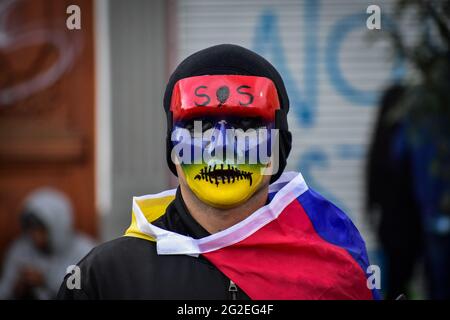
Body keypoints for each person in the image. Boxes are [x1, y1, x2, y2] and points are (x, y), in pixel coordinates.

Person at [58, 44, 378, 300]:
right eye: (199, 125)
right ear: (172, 147)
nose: (222, 146)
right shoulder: (108, 278)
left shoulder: (332, 262)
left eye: (247, 125)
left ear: (281, 148)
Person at [366, 85, 423, 299]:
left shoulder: (410, 135)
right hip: (398, 221)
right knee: (397, 277)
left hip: (410, 218)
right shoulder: (394, 137)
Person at [0, 187, 95, 299]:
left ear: (59, 226)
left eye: (42, 230)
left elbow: (90, 293)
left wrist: (46, 281)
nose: (36, 237)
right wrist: (17, 289)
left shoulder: (86, 252)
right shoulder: (20, 249)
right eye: (31, 229)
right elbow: (4, 291)